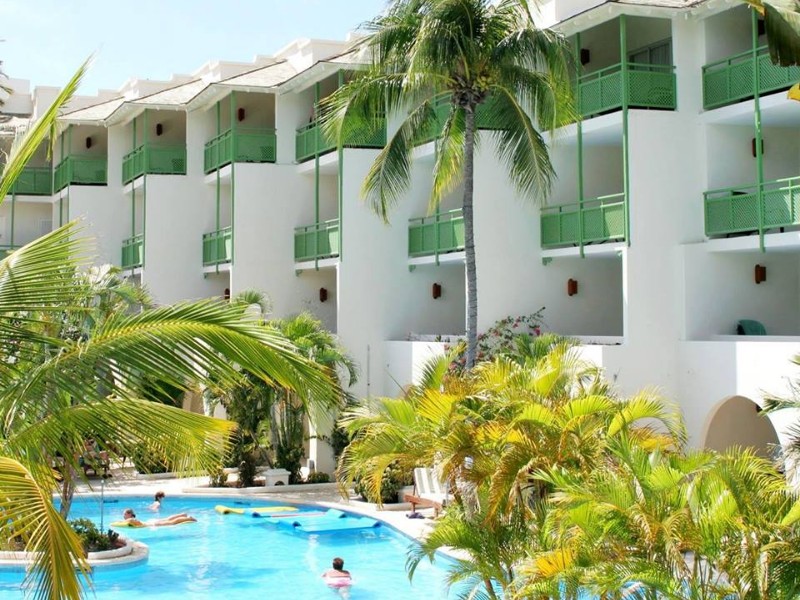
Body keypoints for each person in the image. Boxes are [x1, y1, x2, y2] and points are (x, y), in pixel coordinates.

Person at [122, 508, 196, 527]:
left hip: (153, 524)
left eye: (125, 514)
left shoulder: (130, 519)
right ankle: (182, 514)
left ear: (129, 514)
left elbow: (132, 521)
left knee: (172, 522)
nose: (123, 516)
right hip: (151, 522)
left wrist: (125, 521)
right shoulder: (131, 519)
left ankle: (189, 518)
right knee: (168, 519)